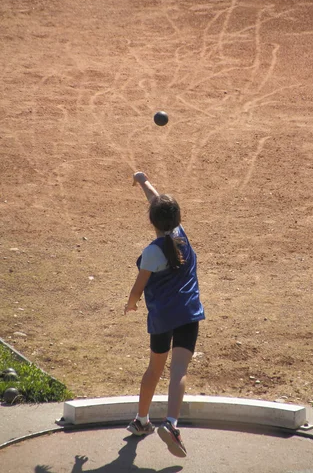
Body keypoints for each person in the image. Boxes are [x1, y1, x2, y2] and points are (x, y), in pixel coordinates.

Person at [124, 171, 205, 458]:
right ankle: (171, 423)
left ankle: (142, 420)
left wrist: (131, 304)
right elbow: (158, 201)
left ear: (152, 221)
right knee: (179, 370)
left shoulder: (152, 252)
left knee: (154, 370)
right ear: (178, 219)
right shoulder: (181, 237)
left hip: (161, 320)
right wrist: (144, 181)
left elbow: (138, 288)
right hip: (188, 313)